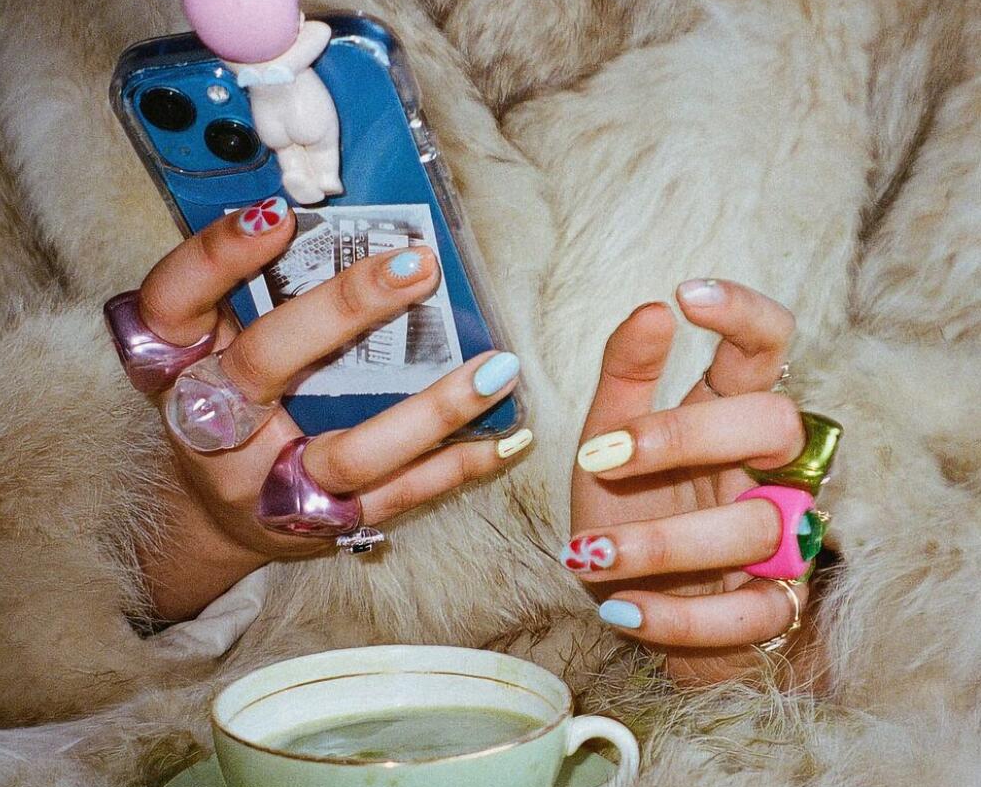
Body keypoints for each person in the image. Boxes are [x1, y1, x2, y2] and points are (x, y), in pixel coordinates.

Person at [113, 200, 830, 686]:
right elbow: (51, 620)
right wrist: (209, 528)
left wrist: (750, 638)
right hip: (222, 744)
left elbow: (888, 650)